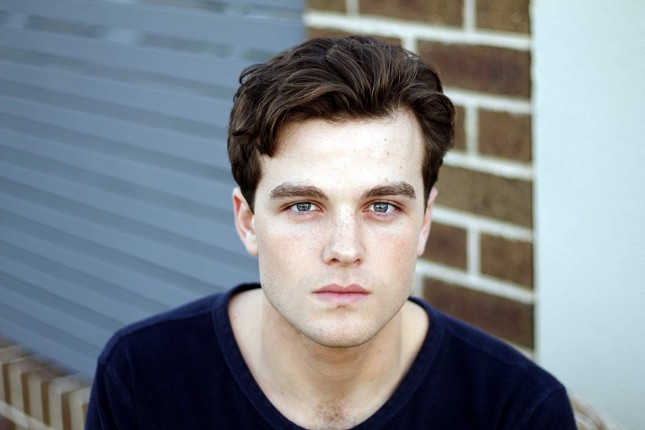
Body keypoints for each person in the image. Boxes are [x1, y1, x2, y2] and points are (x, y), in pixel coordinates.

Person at [86, 36, 576, 429]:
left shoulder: (517, 410)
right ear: (247, 221)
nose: (345, 249)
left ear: (424, 222)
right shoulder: (143, 377)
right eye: (303, 206)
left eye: (382, 206)